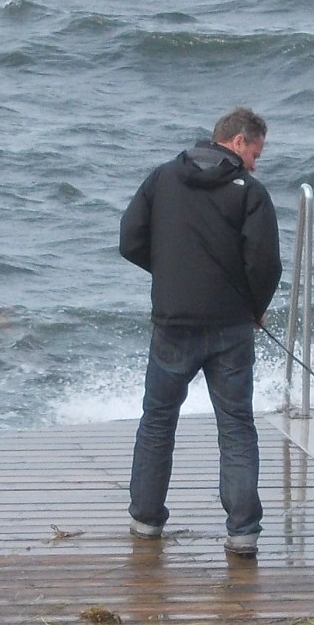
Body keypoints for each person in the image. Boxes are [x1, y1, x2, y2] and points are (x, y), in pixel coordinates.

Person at [118, 107, 281, 556]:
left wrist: (171, 273)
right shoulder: (250, 193)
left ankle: (146, 519)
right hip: (231, 327)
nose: (255, 164)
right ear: (238, 142)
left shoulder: (162, 178)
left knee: (157, 420)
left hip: (173, 322)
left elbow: (130, 239)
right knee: (236, 425)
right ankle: (242, 531)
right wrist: (256, 308)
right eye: (256, 153)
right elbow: (265, 263)